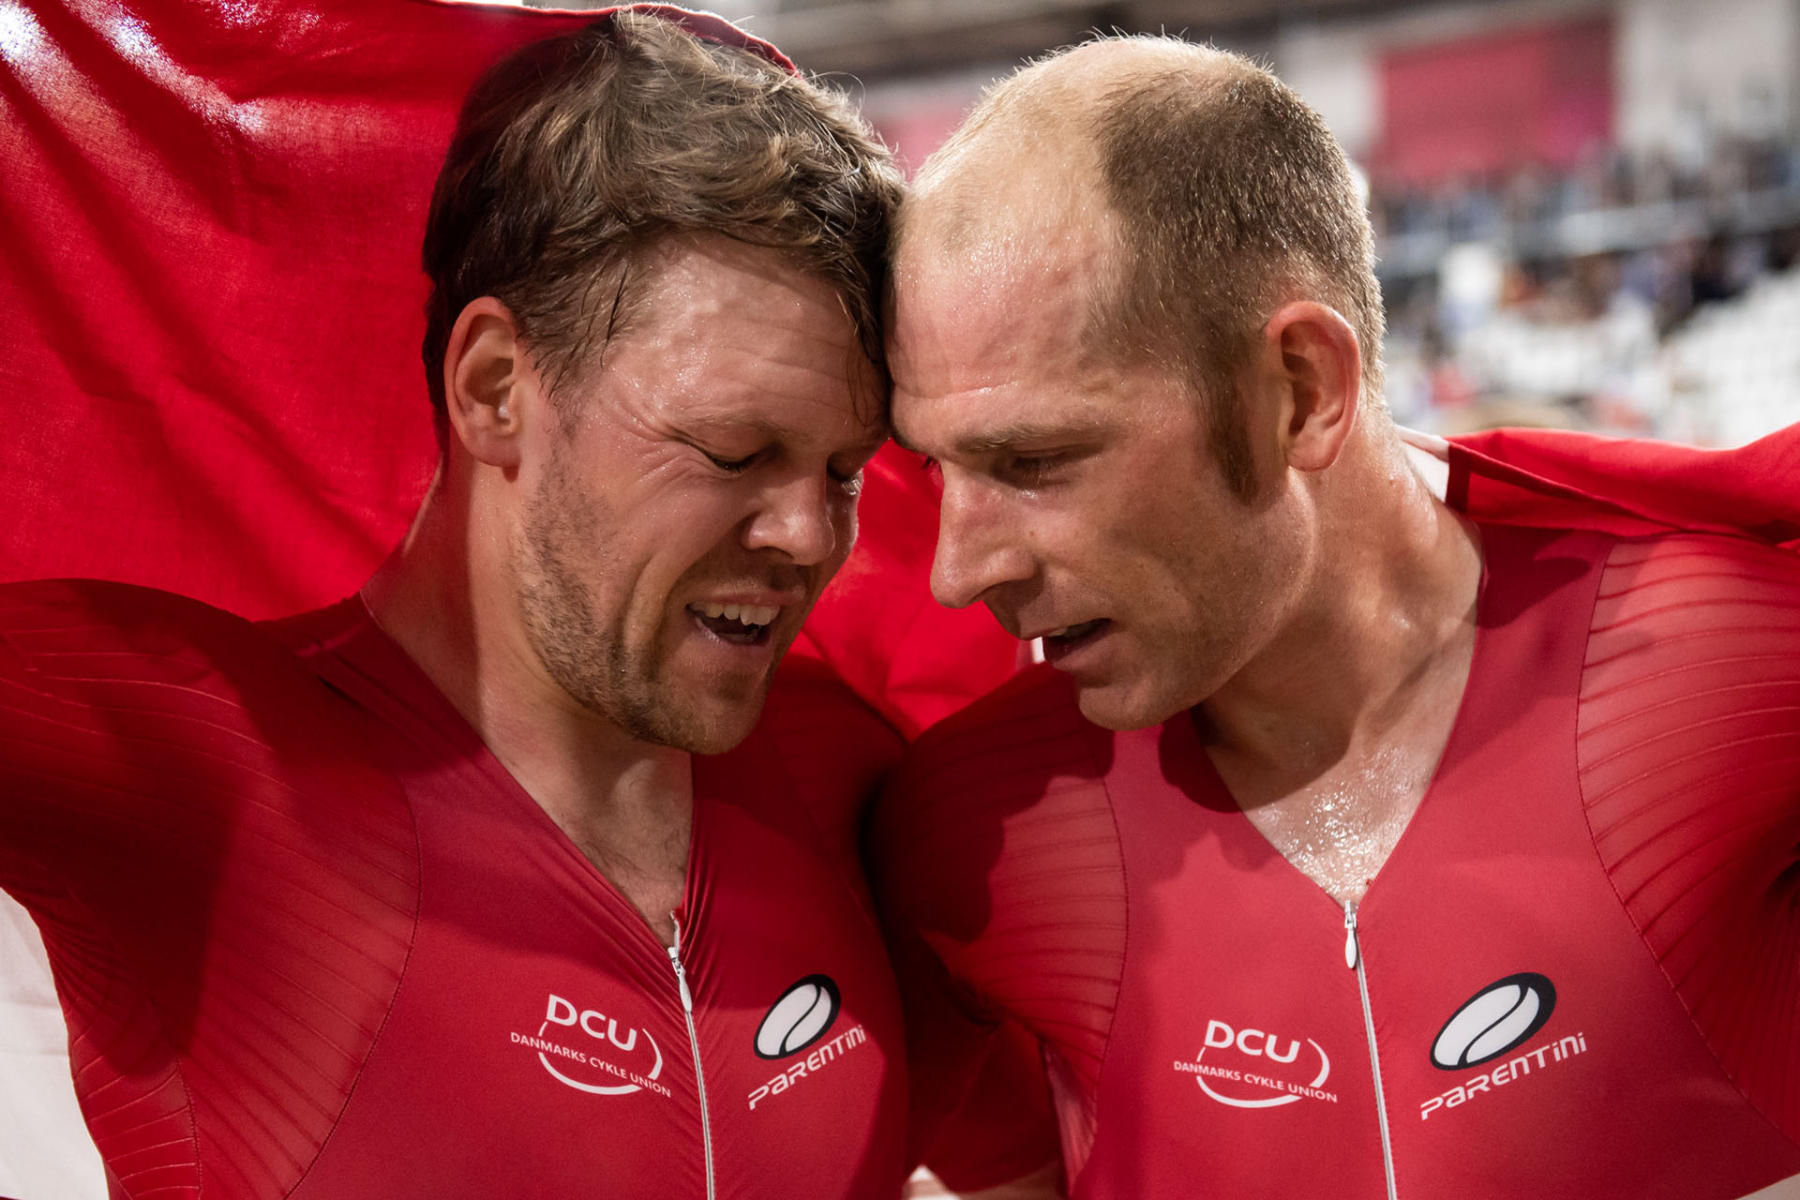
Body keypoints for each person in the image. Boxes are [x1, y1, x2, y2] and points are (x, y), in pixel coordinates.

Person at [0, 9, 928, 1196]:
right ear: (496, 390)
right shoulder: (200, 769)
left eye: (844, 471)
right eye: (734, 452)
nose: (810, 535)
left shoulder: (854, 778)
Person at [873, 34, 1800, 1200]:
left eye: (1036, 459)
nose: (958, 568)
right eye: (935, 470)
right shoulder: (973, 836)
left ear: (1301, 390)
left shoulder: (1732, 666)